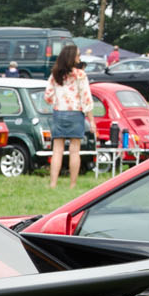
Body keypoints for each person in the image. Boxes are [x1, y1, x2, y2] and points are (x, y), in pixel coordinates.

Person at [43, 43, 94, 188]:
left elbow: (48, 96)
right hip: (76, 113)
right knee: (74, 150)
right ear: (72, 57)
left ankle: (53, 183)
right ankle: (72, 184)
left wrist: (57, 102)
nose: (79, 58)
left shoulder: (55, 74)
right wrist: (91, 121)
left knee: (57, 150)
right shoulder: (80, 75)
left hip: (59, 112)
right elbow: (86, 99)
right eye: (78, 55)